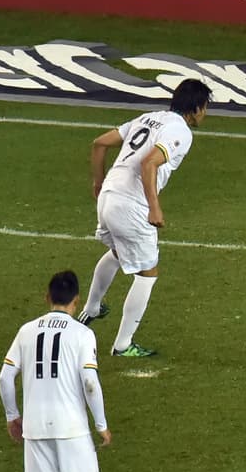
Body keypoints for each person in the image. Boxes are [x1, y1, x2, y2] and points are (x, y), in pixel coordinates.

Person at [77, 78, 212, 357]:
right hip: (131, 205)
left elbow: (100, 143)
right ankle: (123, 345)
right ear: (196, 107)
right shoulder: (180, 131)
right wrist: (155, 207)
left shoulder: (148, 118)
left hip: (109, 197)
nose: (205, 113)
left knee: (117, 252)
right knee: (148, 274)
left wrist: (98, 183)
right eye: (205, 107)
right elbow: (149, 162)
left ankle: (92, 308)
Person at [0, 271, 111, 472]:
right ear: (76, 300)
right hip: (71, 424)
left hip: (34, 423)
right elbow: (90, 382)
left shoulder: (26, 331)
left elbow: (5, 378)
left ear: (47, 297)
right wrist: (101, 424)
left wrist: (12, 416)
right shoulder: (82, 334)